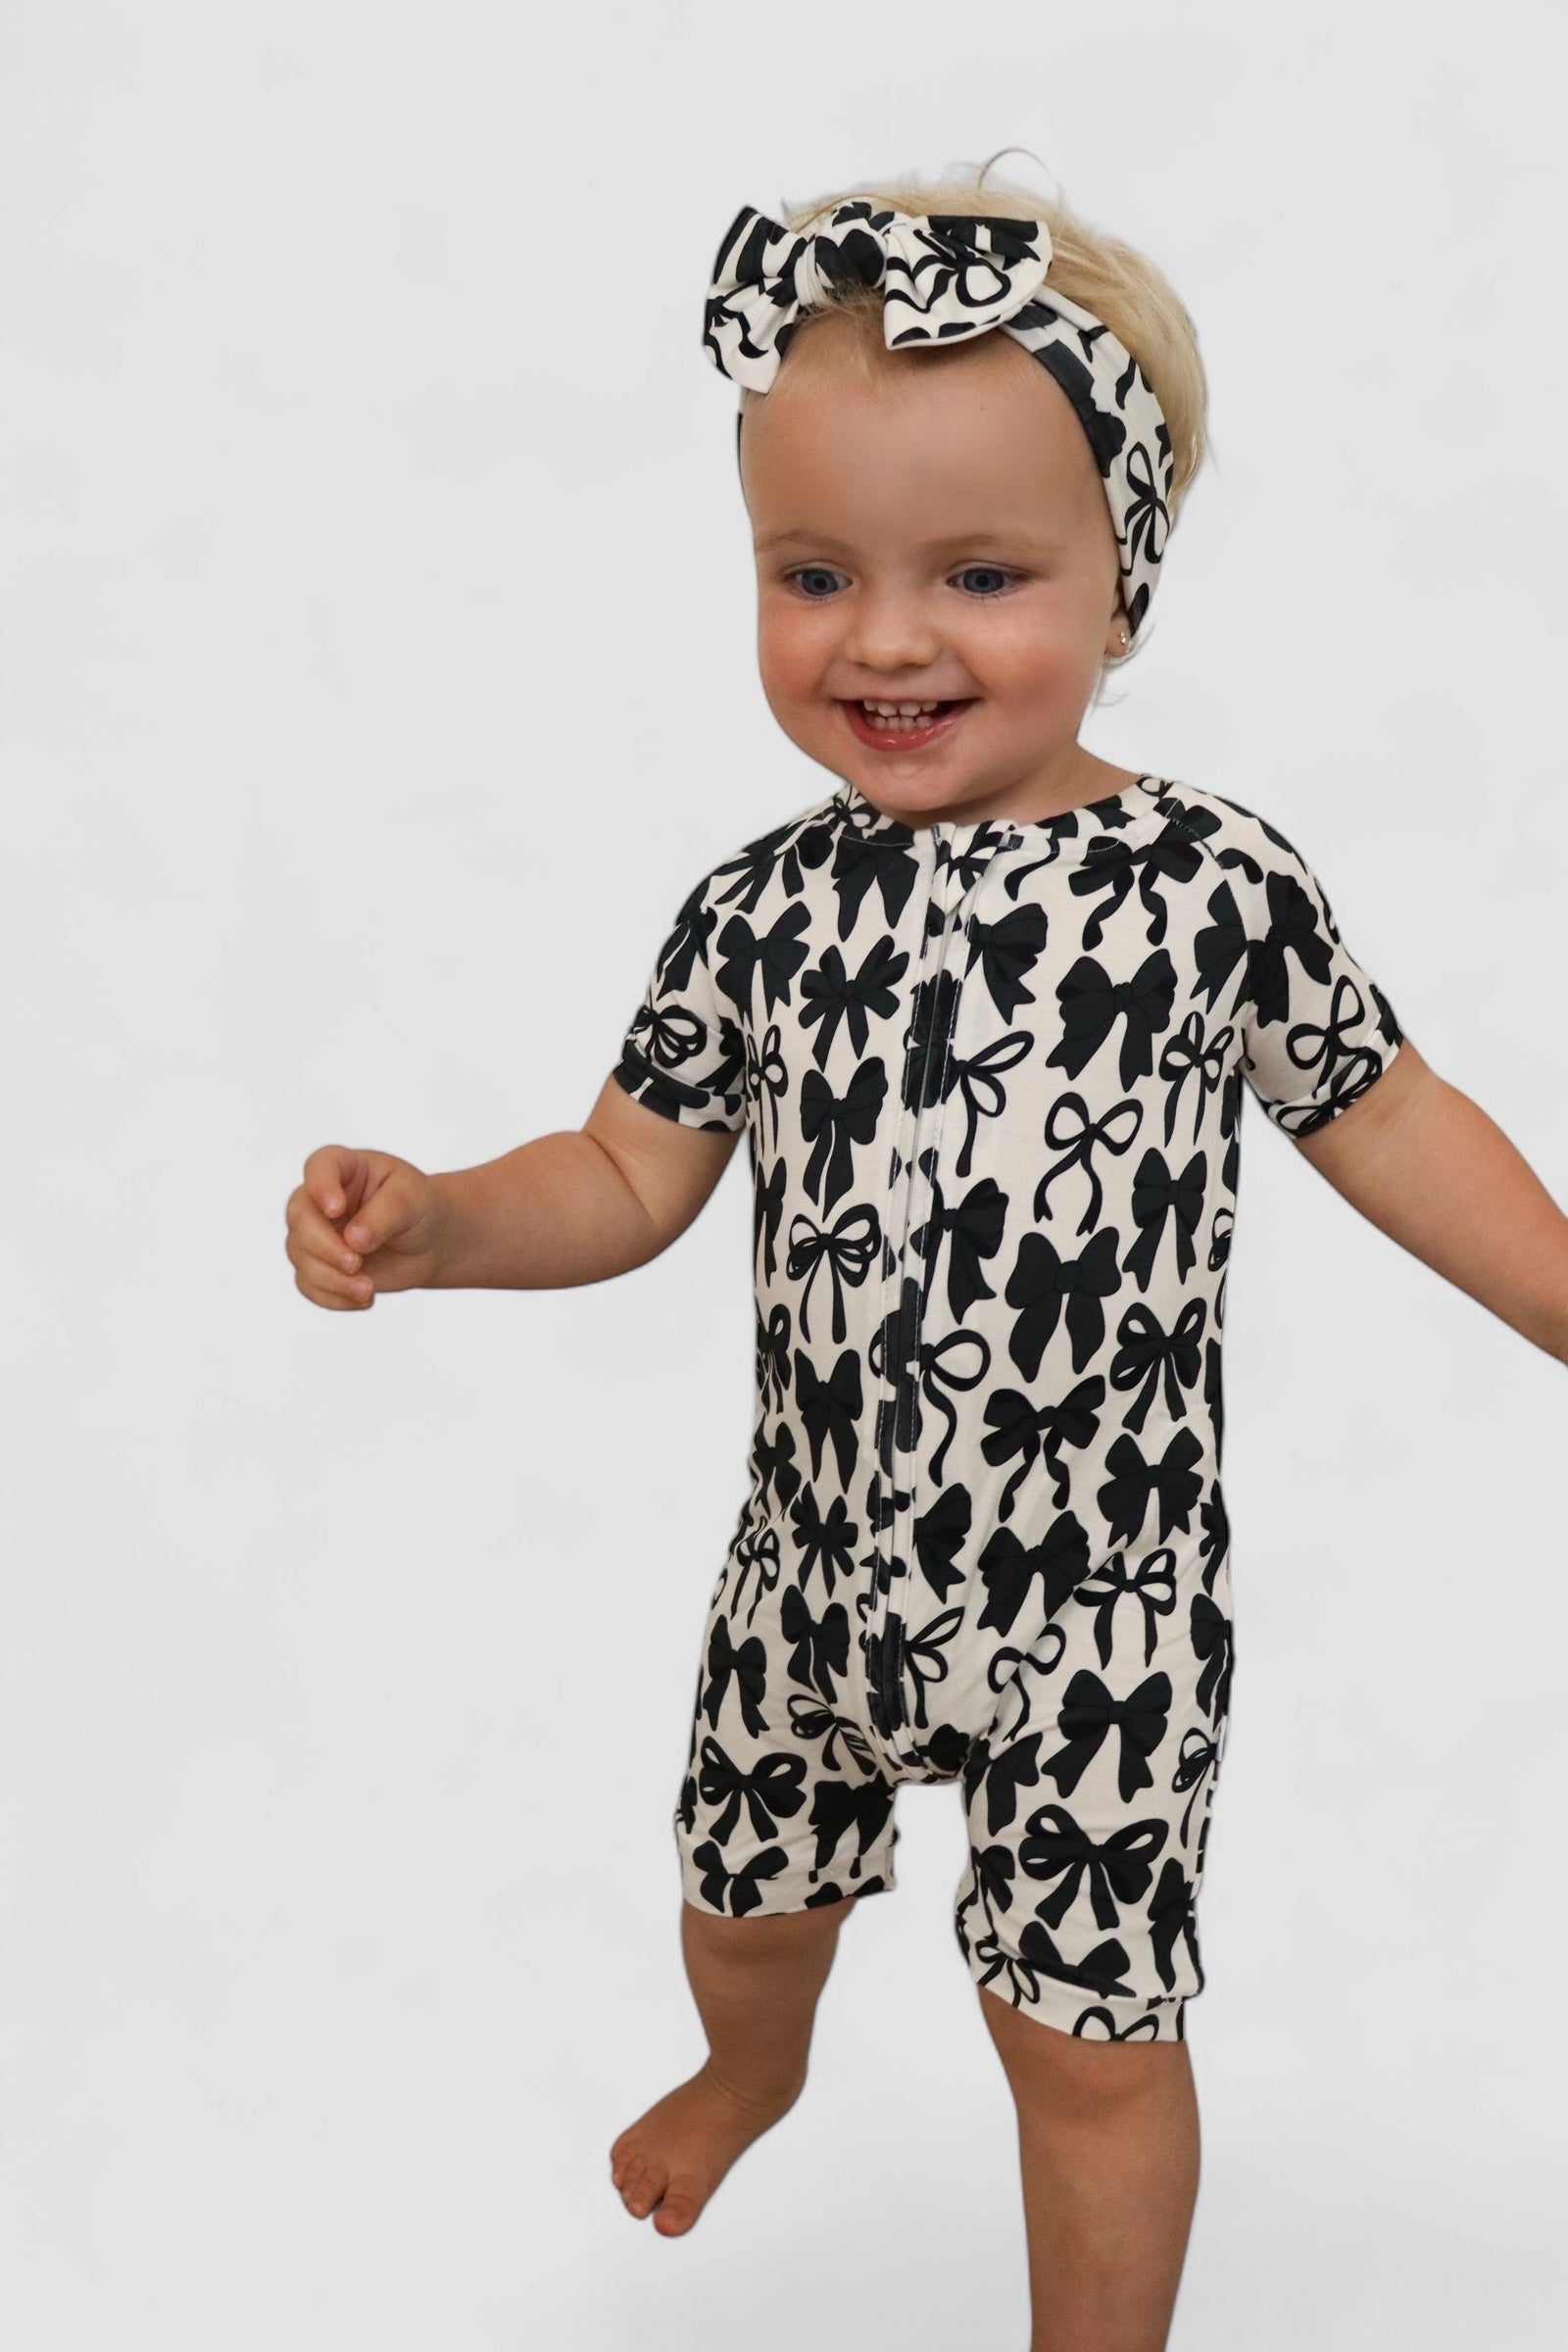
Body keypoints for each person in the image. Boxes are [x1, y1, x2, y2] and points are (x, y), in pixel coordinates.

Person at [282, 159, 1568, 2352]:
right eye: (814, 575)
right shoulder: (758, 914)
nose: (883, 640)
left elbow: (1392, 1119)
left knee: (1084, 2046)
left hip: (1099, 1617)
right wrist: (446, 1220)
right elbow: (623, 1174)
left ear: (1121, 577)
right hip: (809, 1581)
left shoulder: (1208, 891)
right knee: (740, 1904)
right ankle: (751, 2069)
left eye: (978, 574)